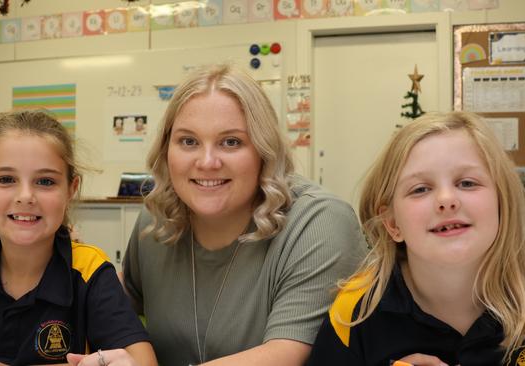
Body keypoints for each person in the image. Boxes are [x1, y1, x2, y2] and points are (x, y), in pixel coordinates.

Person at [120, 64, 367, 366]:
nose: (207, 162)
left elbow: (286, 356)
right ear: (166, 149)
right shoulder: (157, 222)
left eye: (231, 142)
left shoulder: (318, 223)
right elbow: (111, 313)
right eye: (188, 141)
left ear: (265, 151)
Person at [306, 112, 525, 365]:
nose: (446, 200)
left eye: (467, 183)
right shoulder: (353, 315)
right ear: (392, 223)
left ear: (502, 204)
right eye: (420, 189)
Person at [0, 110, 157, 366]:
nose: (25, 196)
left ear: (71, 190)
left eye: (45, 181)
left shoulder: (89, 269)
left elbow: (143, 360)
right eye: (6, 179)